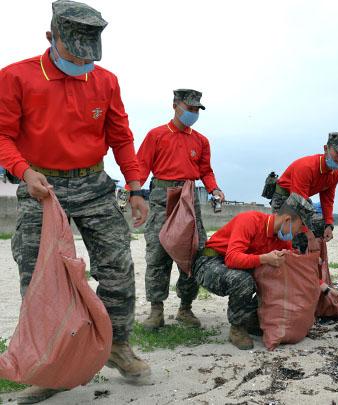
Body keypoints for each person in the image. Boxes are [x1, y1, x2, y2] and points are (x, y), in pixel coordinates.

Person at [0, 1, 150, 402]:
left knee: (117, 267)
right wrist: (24, 172)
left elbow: (121, 136)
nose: (82, 63)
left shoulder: (106, 81)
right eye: (73, 54)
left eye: (89, 57)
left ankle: (117, 347)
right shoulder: (16, 77)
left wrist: (135, 187)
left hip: (95, 184)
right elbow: (2, 135)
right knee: (40, 279)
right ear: (51, 38)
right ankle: (51, 367)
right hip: (42, 187)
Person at [136, 89, 224, 330]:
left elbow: (206, 170)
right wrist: (133, 193)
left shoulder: (201, 141)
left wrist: (214, 189)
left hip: (189, 197)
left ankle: (186, 307)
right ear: (175, 105)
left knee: (193, 251)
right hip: (161, 197)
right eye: (190, 108)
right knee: (157, 252)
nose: (193, 113)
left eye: (197, 109)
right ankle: (156, 311)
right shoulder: (156, 135)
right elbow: (141, 167)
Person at [192, 193, 318, 350]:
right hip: (210, 262)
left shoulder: (283, 240)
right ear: (287, 220)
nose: (300, 232)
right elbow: (232, 258)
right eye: (301, 227)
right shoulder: (250, 221)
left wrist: (319, 286)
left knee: (276, 280)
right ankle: (237, 328)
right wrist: (264, 259)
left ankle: (252, 319)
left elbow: (291, 271)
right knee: (243, 280)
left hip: (237, 268)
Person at [270, 132, 338, 252]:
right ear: (326, 149)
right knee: (293, 235)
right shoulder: (306, 167)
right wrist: (309, 235)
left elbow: (328, 199)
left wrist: (329, 225)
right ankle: (289, 261)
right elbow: (298, 204)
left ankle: (308, 262)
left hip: (302, 199)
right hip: (284, 198)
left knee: (320, 225)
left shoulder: (335, 171)